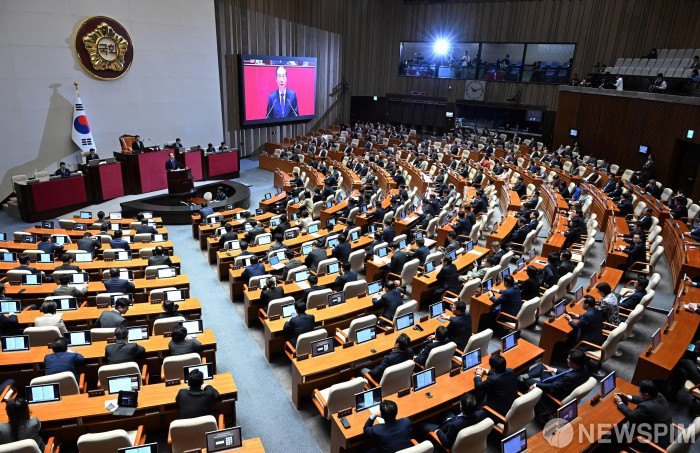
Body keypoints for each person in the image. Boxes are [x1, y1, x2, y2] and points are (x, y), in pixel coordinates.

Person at [520, 348, 591, 420]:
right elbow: (568, 373)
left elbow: (552, 387)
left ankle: (522, 384)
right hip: (561, 385)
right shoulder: (584, 368)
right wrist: (554, 370)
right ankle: (525, 376)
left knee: (529, 382)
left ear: (575, 364)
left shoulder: (569, 378)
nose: (567, 359)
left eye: (569, 358)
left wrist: (536, 385)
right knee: (542, 367)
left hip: (553, 393)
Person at [614, 380, 673, 448]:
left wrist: (619, 402)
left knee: (619, 432)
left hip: (653, 441)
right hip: (666, 435)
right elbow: (643, 399)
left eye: (640, 392)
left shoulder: (646, 407)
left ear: (646, 395)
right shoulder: (659, 396)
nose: (639, 393)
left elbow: (631, 415)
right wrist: (627, 397)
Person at [474, 353, 519, 419]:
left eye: (490, 367)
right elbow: (500, 374)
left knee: (477, 400)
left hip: (498, 412)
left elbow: (478, 386)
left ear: (494, 369)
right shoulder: (510, 371)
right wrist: (486, 371)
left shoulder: (492, 380)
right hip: (511, 405)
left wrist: (478, 375)